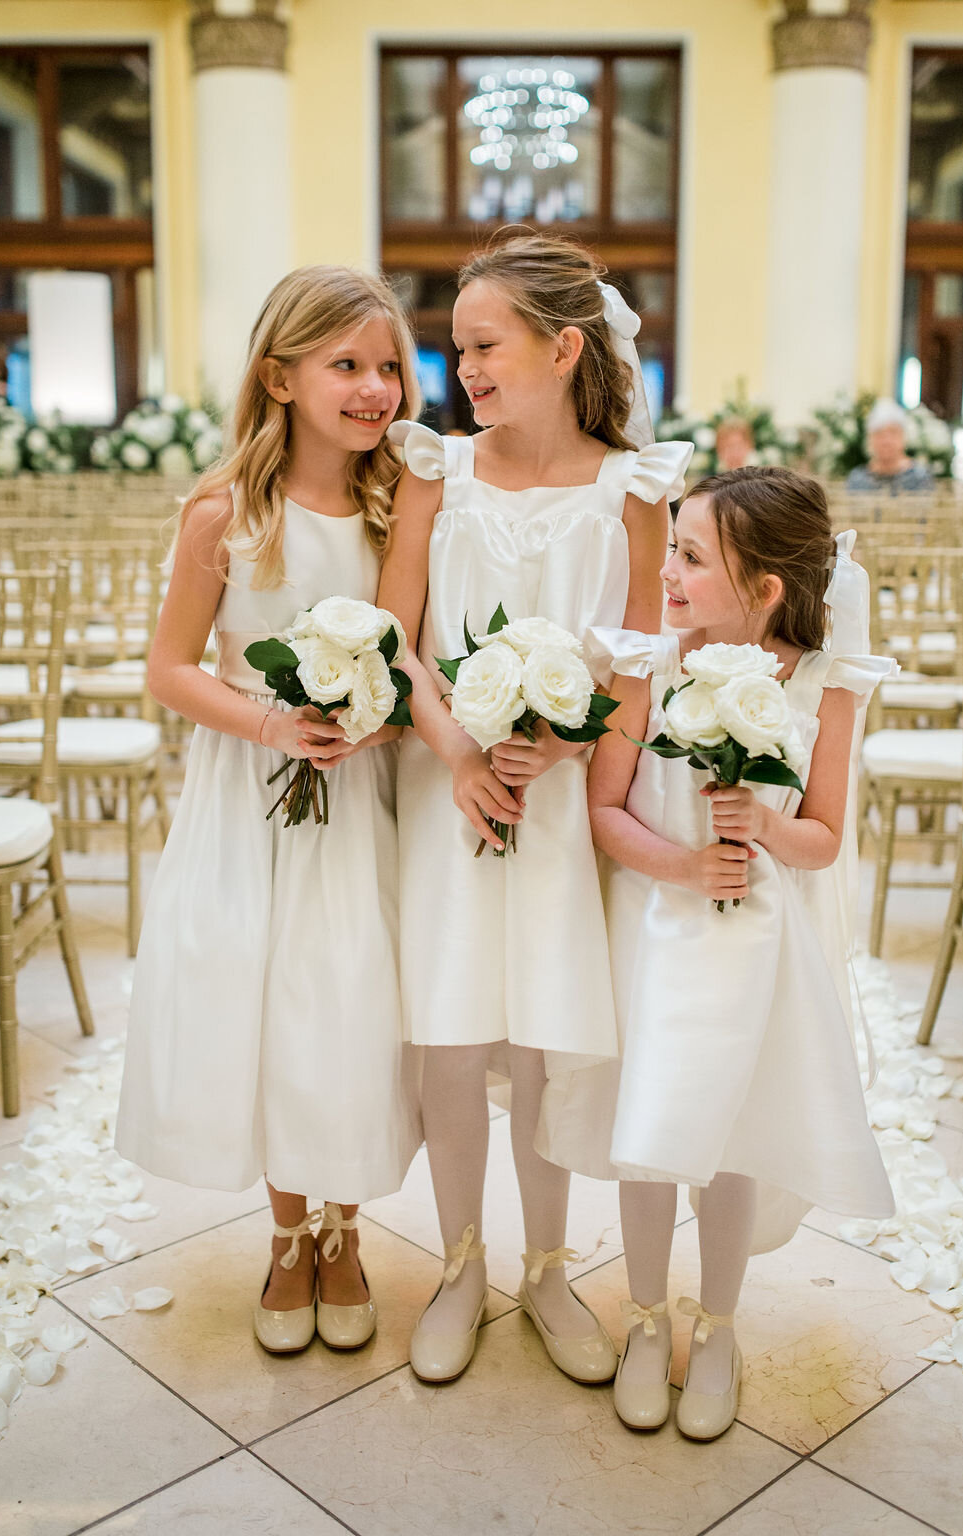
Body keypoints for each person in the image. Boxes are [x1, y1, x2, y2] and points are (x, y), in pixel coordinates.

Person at [378, 233, 692, 1385]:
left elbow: (644, 652)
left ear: (564, 349)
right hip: (447, 780)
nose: (460, 368)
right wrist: (460, 747)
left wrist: (569, 743)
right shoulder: (435, 471)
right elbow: (397, 638)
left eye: (483, 345)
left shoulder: (633, 489)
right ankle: (461, 1260)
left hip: (563, 804)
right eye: (455, 347)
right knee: (453, 1034)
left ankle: (548, 1266)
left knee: (544, 1037)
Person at [538, 467, 896, 1436]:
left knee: (734, 1139)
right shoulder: (642, 667)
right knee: (653, 1134)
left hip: (758, 959)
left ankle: (720, 1322)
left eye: (691, 557)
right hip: (654, 942)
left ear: (765, 589)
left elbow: (821, 836)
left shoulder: (824, 689)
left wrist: (764, 830)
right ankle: (648, 1317)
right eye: (674, 547)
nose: (668, 571)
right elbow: (606, 811)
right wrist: (685, 867)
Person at [116, 267, 422, 1356]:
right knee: (265, 1003)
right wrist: (269, 725)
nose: (375, 387)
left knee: (347, 1006)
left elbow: (411, 659)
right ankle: (290, 1235)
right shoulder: (225, 512)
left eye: (389, 366)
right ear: (280, 376)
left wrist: (372, 723)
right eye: (347, 365)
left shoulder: (402, 509)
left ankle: (349, 1228)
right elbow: (169, 666)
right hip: (251, 795)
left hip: (361, 797)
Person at [846, 398, 933, 494]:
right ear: (869, 439)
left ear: (904, 437)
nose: (886, 441)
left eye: (893, 433)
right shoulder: (857, 478)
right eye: (879, 434)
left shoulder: (920, 476)